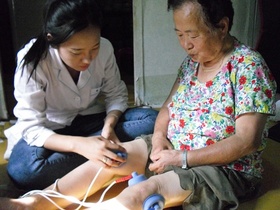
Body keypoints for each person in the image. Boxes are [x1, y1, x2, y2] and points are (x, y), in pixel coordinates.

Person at [0, 0, 276, 209]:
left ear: (223, 26)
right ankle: (32, 203)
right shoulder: (193, 63)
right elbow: (167, 108)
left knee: (144, 191)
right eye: (179, 34)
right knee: (111, 158)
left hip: (221, 167)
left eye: (192, 35)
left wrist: (180, 158)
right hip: (172, 150)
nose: (185, 45)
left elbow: (246, 141)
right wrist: (158, 139)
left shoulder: (247, 66)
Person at [3, 0, 158, 191]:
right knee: (24, 170)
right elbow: (32, 127)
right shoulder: (33, 62)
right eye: (76, 52)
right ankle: (107, 154)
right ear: (52, 40)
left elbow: (115, 94)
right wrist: (81, 146)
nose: (87, 59)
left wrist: (109, 126)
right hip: (50, 130)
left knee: (152, 120)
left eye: (94, 48)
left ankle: (98, 153)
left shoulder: (106, 48)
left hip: (91, 121)